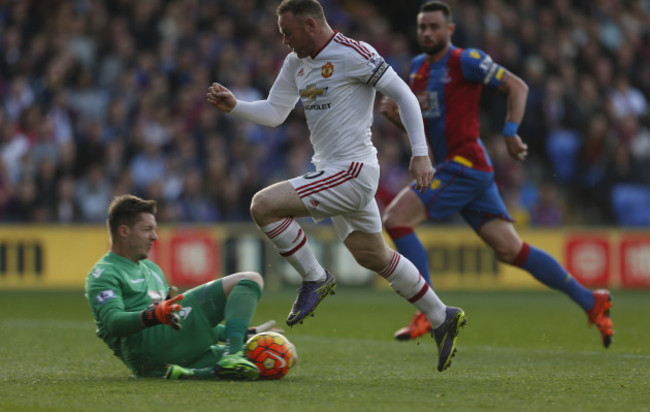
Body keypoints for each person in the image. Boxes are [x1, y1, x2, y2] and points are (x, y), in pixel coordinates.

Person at [206, 0, 465, 372]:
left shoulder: (353, 53)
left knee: (263, 205)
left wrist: (420, 153)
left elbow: (405, 95)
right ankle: (442, 316)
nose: (284, 41)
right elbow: (276, 112)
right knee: (371, 255)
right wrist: (236, 107)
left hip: (354, 170)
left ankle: (315, 277)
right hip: (333, 172)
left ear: (311, 25)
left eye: (289, 32)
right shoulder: (297, 62)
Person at [380, 1, 614, 348]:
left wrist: (509, 131)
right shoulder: (416, 69)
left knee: (396, 219)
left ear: (450, 30)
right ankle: (591, 301)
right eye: (422, 27)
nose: (427, 33)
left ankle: (429, 313)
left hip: (465, 163)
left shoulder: (466, 60)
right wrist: (397, 118)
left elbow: (517, 86)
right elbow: (426, 127)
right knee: (511, 250)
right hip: (460, 169)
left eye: (434, 26)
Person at [85, 194, 279, 380]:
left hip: (160, 361)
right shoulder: (104, 273)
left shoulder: (152, 269)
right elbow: (113, 322)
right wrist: (153, 315)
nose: (155, 237)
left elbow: (180, 322)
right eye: (147, 229)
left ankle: (190, 373)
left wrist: (243, 334)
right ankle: (232, 354)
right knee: (249, 279)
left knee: (271, 358)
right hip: (145, 346)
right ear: (124, 231)